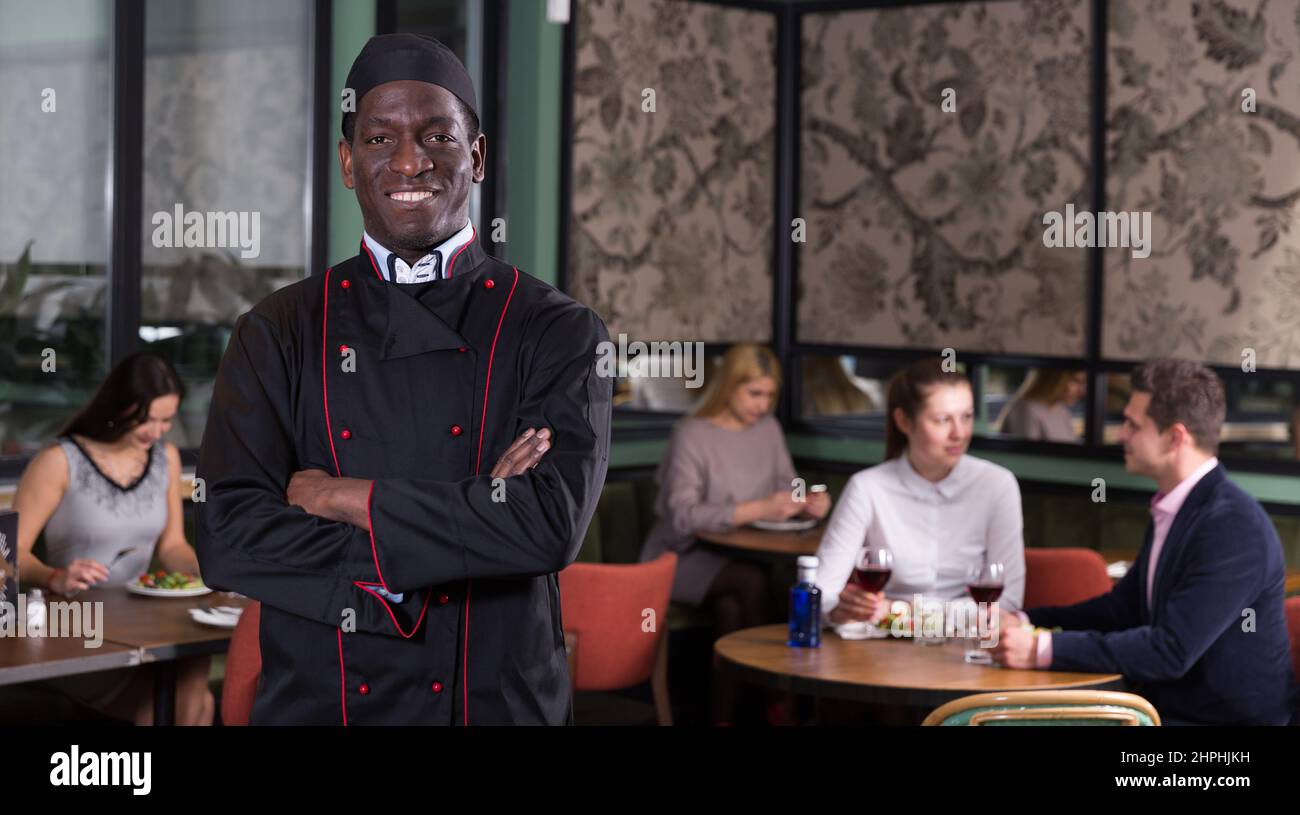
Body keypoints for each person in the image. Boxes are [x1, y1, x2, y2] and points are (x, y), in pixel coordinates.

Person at [194, 34, 612, 725]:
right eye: (380, 137)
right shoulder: (278, 329)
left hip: (496, 703)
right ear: (347, 163)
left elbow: (544, 527)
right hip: (320, 704)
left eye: (436, 136)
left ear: (475, 157)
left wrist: (340, 495)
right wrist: (472, 514)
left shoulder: (559, 330)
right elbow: (228, 534)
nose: (410, 160)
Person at [993, 359, 1296, 725]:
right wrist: (1027, 620)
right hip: (1163, 711)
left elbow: (1171, 649)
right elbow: (1121, 611)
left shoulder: (1232, 526)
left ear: (1175, 438)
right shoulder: (1179, 506)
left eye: (1133, 425)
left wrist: (1042, 649)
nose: (1121, 435)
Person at [13, 352, 211, 725]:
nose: (156, 432)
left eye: (166, 420)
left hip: (142, 622)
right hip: (77, 626)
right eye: (145, 420)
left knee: (195, 677)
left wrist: (216, 572)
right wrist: (55, 576)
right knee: (185, 705)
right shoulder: (59, 459)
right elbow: (9, 554)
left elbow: (171, 547)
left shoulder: (164, 457)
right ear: (118, 407)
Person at [816, 358, 1025, 627]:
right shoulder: (867, 488)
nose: (959, 433)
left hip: (968, 649)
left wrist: (901, 612)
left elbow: (1007, 600)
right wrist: (839, 610)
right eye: (942, 420)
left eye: (967, 417)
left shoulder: (998, 485)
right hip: (881, 650)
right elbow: (821, 593)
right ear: (904, 421)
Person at [640, 344, 830, 631]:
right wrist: (760, 509)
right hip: (681, 556)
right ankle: (772, 672)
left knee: (734, 603)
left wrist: (809, 503)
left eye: (769, 395)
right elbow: (683, 516)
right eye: (754, 394)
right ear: (728, 387)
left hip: (740, 554)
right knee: (750, 581)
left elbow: (791, 487)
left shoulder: (768, 429)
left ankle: (743, 676)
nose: (763, 405)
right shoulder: (692, 434)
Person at [996, 368, 1085, 442]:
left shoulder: (1062, 411)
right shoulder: (1025, 410)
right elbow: (1028, 459)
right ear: (1054, 378)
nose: (1082, 391)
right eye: (1075, 381)